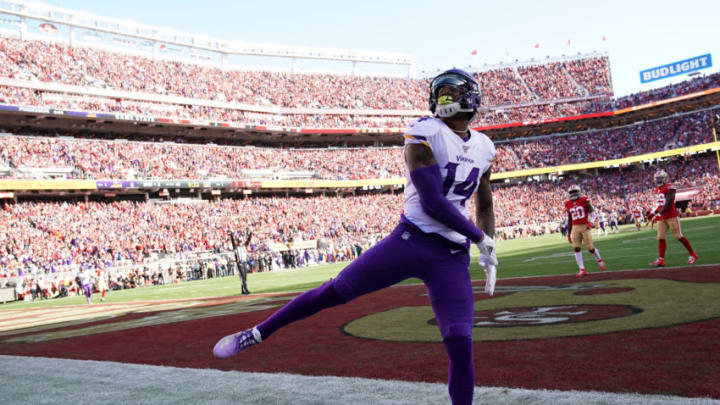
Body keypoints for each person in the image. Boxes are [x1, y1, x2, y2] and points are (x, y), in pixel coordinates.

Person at [213, 69, 498, 405]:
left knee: (460, 342)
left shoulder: (485, 147)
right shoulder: (425, 131)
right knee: (334, 291)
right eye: (442, 94)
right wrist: (480, 236)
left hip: (450, 254)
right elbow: (432, 202)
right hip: (411, 240)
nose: (444, 100)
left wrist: (488, 248)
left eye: (451, 93)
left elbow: (485, 201)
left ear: (470, 97)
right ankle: (256, 333)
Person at [649, 170, 698, 267]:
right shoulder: (657, 189)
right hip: (662, 217)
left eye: (660, 178)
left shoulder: (670, 187)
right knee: (660, 237)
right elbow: (660, 204)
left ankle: (693, 254)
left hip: (671, 215)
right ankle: (661, 260)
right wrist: (653, 213)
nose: (658, 180)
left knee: (678, 236)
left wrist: (658, 214)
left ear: (665, 178)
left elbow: (668, 202)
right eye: (657, 178)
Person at [564, 185, 607, 276]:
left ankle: (599, 260)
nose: (573, 194)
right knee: (576, 248)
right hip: (575, 228)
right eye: (571, 192)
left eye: (574, 191)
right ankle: (582, 269)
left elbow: (593, 214)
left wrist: (591, 223)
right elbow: (570, 219)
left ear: (579, 191)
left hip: (585, 226)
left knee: (590, 248)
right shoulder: (567, 203)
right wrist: (568, 234)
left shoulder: (585, 200)